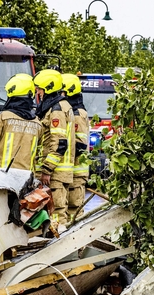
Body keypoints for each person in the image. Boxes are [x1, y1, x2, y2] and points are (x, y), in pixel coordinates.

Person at [0, 73, 43, 172]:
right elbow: (41, 152)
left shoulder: (2, 118)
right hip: (26, 179)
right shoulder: (38, 123)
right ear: (30, 94)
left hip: (2, 178)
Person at [33, 69, 75, 224]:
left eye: (40, 89)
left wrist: (47, 170)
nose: (38, 92)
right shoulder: (60, 106)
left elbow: (59, 143)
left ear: (48, 88)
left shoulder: (56, 110)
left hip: (55, 173)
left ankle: (60, 246)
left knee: (56, 214)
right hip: (57, 172)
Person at [62, 73, 90, 220]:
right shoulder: (72, 111)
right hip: (70, 173)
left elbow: (79, 145)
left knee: (74, 213)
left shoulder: (77, 114)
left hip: (76, 174)